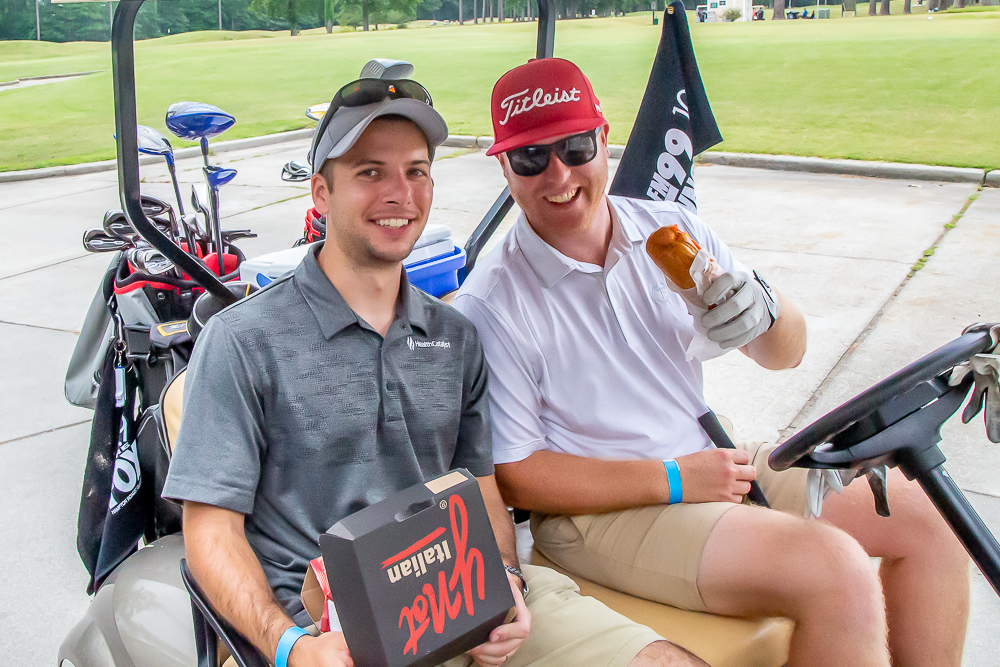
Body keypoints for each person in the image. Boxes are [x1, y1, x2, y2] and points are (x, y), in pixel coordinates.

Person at [162, 76, 707, 667]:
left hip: (464, 598)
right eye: (371, 172)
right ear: (321, 193)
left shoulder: (455, 337)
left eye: (416, 171)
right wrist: (290, 646)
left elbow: (482, 489)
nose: (400, 194)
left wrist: (507, 581)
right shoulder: (243, 341)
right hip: (328, 633)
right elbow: (210, 531)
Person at [454, 57, 971, 667]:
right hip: (599, 513)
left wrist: (766, 312)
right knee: (834, 569)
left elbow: (786, 355)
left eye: (575, 147)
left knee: (931, 514)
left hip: (711, 459)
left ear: (604, 137)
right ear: (504, 167)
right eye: (530, 158)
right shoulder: (492, 303)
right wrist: (675, 479)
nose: (559, 174)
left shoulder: (670, 229)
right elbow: (517, 472)